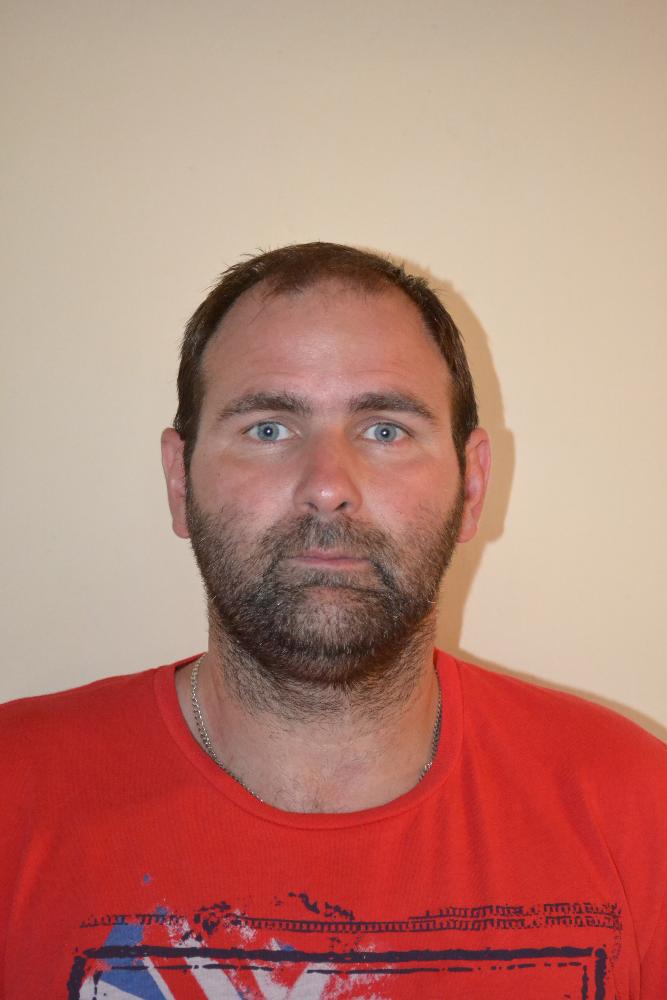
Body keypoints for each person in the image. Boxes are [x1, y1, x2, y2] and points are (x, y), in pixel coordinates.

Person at [1, 242, 665, 999]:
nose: (326, 486)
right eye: (268, 429)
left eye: (385, 430)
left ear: (473, 486)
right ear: (180, 482)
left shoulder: (637, 811)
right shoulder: (14, 793)